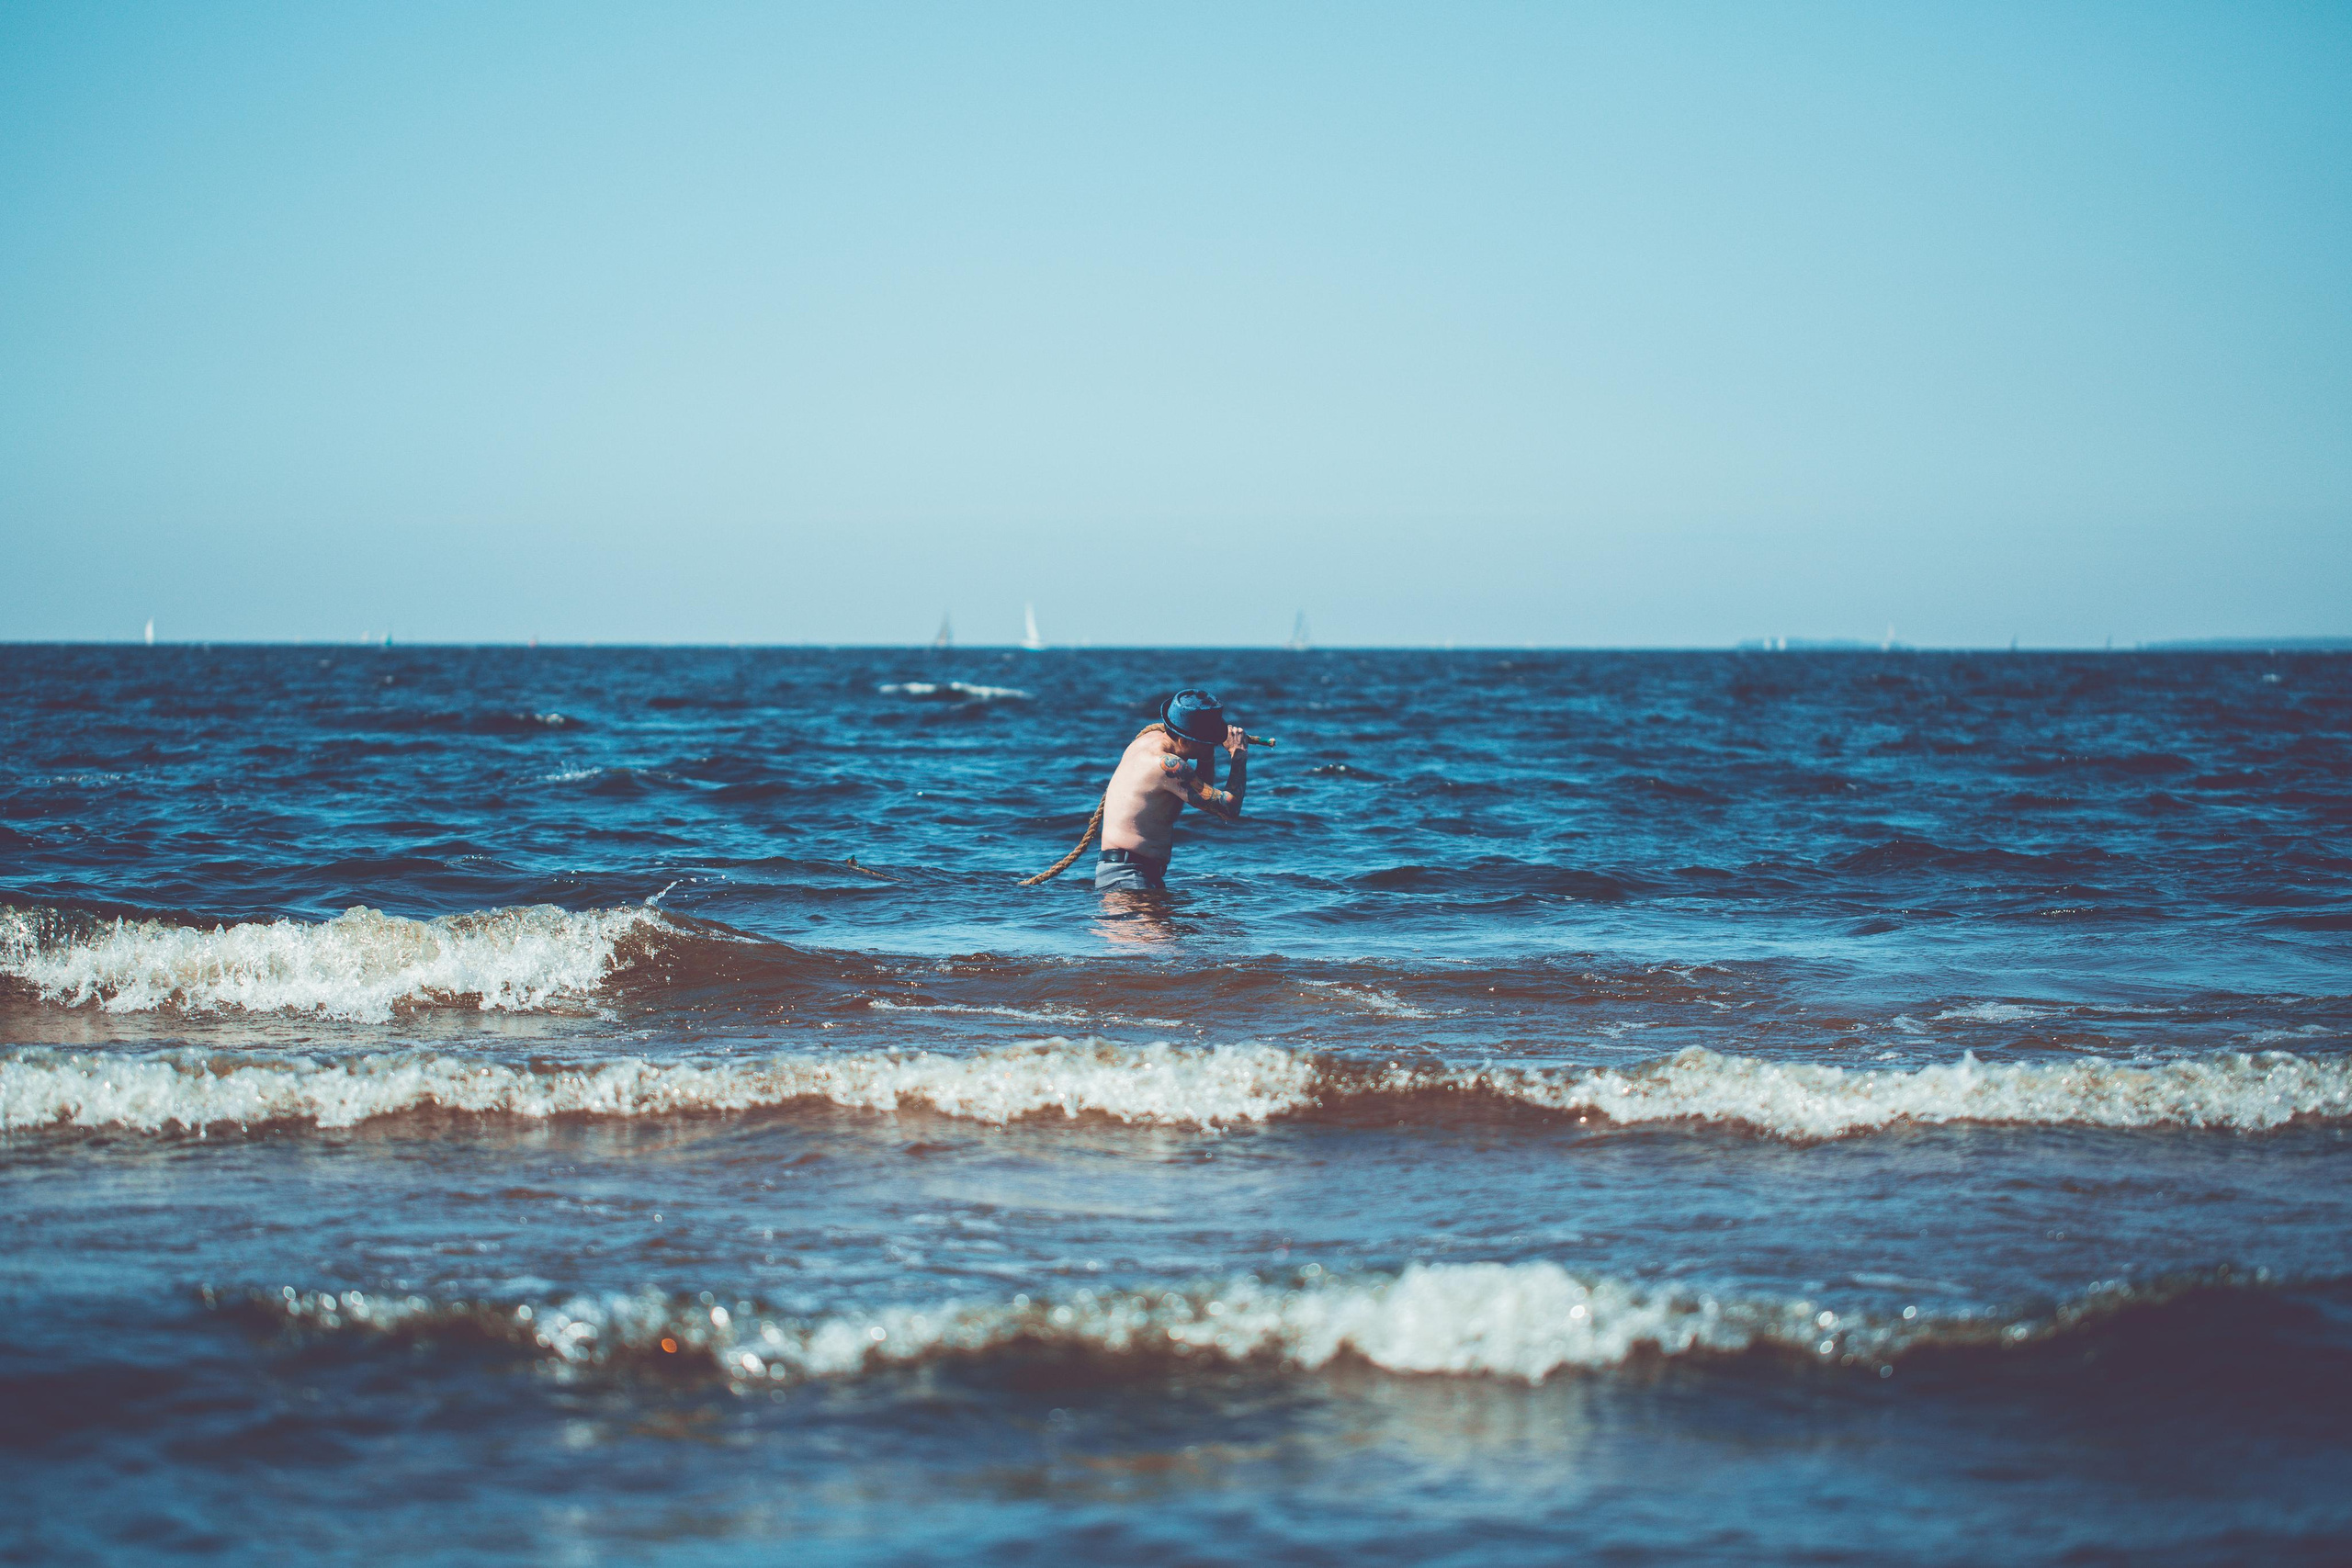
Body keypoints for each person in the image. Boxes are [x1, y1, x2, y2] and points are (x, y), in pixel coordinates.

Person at [1095, 689, 1250, 891]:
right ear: (1184, 741)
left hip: (1128, 871)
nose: (1212, 745)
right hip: (1129, 875)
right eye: (1206, 742)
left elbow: (1201, 794)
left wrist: (1205, 754)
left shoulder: (1150, 739)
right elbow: (1229, 809)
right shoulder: (1165, 765)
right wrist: (1238, 756)